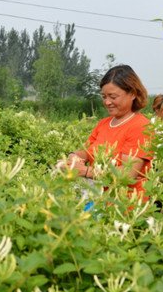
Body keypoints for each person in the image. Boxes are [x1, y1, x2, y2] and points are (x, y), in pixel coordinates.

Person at [59, 65, 153, 199]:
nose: (107, 102)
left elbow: (128, 174)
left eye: (113, 97)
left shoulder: (141, 126)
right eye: (104, 96)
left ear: (132, 94)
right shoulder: (103, 123)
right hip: (98, 198)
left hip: (126, 205)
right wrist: (73, 157)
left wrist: (86, 171)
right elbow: (87, 151)